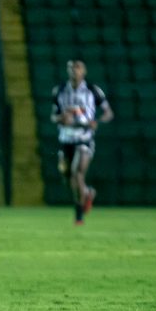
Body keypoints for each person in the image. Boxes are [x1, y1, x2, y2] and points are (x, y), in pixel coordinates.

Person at [51, 59, 114, 225]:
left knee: (77, 172)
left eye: (77, 68)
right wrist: (60, 118)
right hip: (65, 138)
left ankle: (78, 216)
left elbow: (108, 113)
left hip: (83, 139)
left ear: (83, 71)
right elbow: (53, 116)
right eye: (71, 68)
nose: (74, 70)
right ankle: (87, 193)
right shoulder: (60, 90)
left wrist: (97, 121)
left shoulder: (93, 91)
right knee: (67, 178)